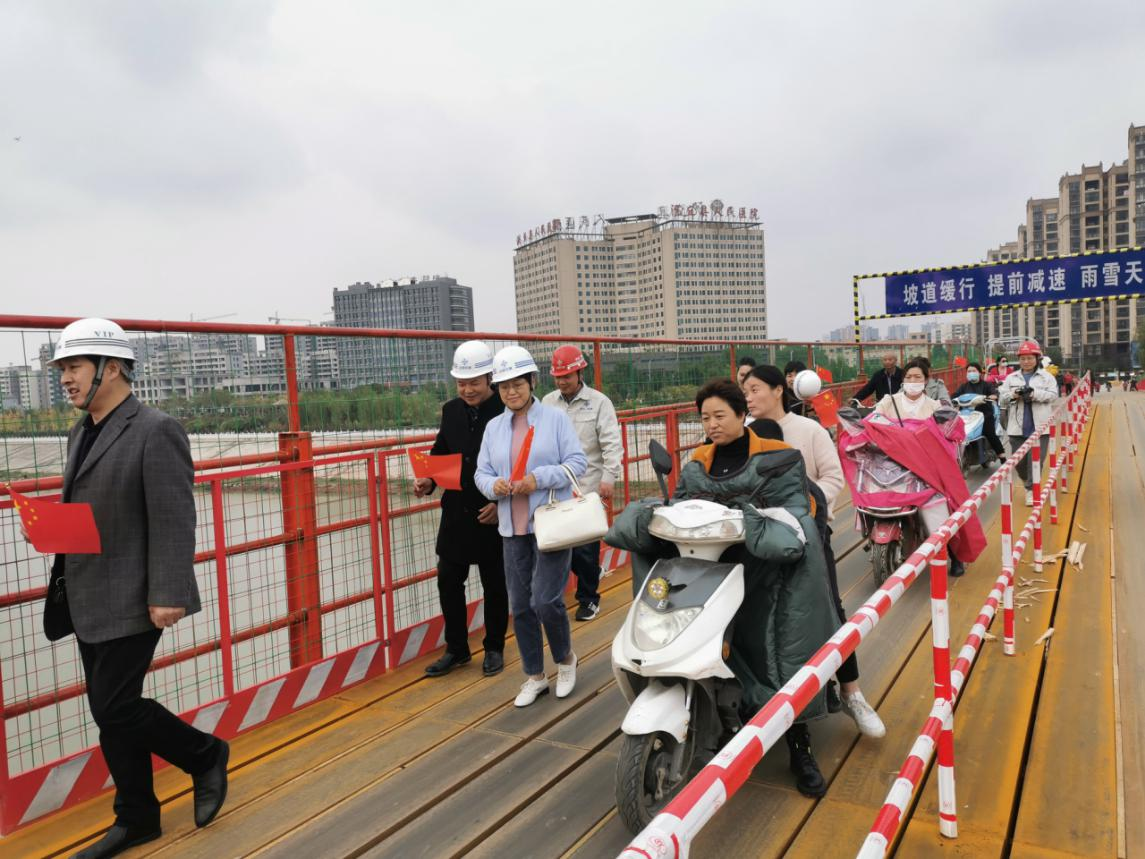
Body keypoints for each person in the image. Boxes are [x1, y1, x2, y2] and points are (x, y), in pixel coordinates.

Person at [35, 319, 227, 859]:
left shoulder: (155, 429)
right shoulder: (81, 431)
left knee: (115, 706)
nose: (65, 378)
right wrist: (50, 528)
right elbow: (94, 507)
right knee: (109, 709)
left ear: (112, 368)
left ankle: (205, 754)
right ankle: (137, 817)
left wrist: (168, 590)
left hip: (136, 593)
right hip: (86, 592)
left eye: (74, 367)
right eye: (62, 369)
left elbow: (174, 517)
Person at [607, 378, 840, 797]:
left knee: (779, 651)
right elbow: (682, 504)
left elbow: (793, 513)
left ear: (741, 414)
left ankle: (798, 743)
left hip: (763, 571)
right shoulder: (697, 463)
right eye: (704, 418)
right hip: (709, 569)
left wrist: (748, 518)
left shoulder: (778, 458)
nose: (711, 424)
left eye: (719, 415)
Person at [742, 365, 886, 739]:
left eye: (755, 389)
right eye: (745, 391)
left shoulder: (808, 430)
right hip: (760, 543)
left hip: (809, 535)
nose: (749, 397)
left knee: (830, 608)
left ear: (778, 390)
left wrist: (805, 512)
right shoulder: (743, 434)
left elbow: (833, 477)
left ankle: (851, 691)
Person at [475, 346, 587, 708]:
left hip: (550, 522)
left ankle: (565, 659)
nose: (511, 392)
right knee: (521, 604)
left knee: (545, 599)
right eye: (504, 386)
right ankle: (535, 675)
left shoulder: (555, 420)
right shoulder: (494, 428)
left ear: (532, 382)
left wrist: (538, 478)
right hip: (512, 528)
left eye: (518, 384)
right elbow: (481, 472)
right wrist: (493, 486)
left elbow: (577, 464)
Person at [416, 341, 509, 678]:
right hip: (456, 510)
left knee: (495, 583)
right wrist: (429, 479)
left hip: (491, 511)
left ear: (490, 379)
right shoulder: (451, 410)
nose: (467, 390)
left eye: (474, 383)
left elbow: (518, 460)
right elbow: (441, 451)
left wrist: (500, 504)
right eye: (461, 383)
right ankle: (456, 648)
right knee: (448, 580)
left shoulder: (506, 410)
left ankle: (494, 647)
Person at [542, 345, 622, 622]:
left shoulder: (599, 403)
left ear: (580, 373)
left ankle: (588, 599)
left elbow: (611, 443)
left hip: (587, 485)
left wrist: (608, 478)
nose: (562, 382)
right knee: (557, 544)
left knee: (585, 548)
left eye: (567, 376)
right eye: (558, 377)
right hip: (556, 486)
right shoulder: (547, 403)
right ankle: (591, 575)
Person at [874, 359, 967, 576]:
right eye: (908, 377)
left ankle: (953, 553)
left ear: (926, 380)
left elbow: (946, 432)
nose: (912, 381)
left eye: (917, 377)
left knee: (940, 507)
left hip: (926, 467)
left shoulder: (934, 406)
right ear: (903, 379)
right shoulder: (889, 401)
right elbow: (874, 420)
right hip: (892, 465)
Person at [999, 340, 1059, 507]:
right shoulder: (1011, 378)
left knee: (1036, 461)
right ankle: (1027, 481)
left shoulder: (1046, 377)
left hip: (1040, 428)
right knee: (1019, 463)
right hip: (1016, 428)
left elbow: (1053, 395)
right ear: (1019, 360)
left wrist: (1034, 394)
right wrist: (1014, 394)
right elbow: (1002, 398)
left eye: (1030, 358)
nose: (1026, 361)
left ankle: (1031, 490)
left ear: (1037, 358)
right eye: (1023, 358)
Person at [952, 361, 1006, 462]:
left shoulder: (986, 385)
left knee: (989, 433)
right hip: (967, 415)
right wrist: (952, 399)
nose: (971, 373)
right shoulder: (963, 386)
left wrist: (992, 396)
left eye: (974, 371)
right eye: (969, 371)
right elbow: (955, 395)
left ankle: (1001, 455)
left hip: (985, 414)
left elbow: (994, 393)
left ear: (979, 372)